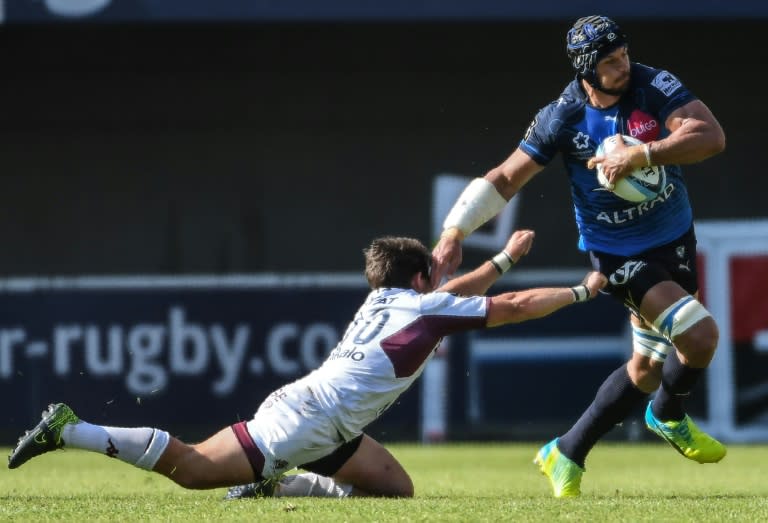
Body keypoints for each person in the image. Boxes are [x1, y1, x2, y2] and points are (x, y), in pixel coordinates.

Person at [8, 229, 606, 500]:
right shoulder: (424, 311)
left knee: (396, 491)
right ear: (422, 279)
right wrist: (582, 291)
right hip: (305, 420)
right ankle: (71, 429)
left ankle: (273, 481)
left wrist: (502, 257)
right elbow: (514, 306)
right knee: (190, 469)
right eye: (436, 275)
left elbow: (459, 293)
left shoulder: (386, 299)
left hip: (324, 420)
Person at [431, 15, 727, 498]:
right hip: (616, 255)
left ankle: (566, 451)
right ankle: (668, 414)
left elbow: (711, 137)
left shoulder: (654, 85)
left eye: (625, 54)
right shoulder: (562, 116)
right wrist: (454, 229)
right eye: (610, 61)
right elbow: (507, 177)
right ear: (586, 68)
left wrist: (642, 155)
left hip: (674, 237)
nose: (623, 65)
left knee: (646, 368)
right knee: (700, 336)